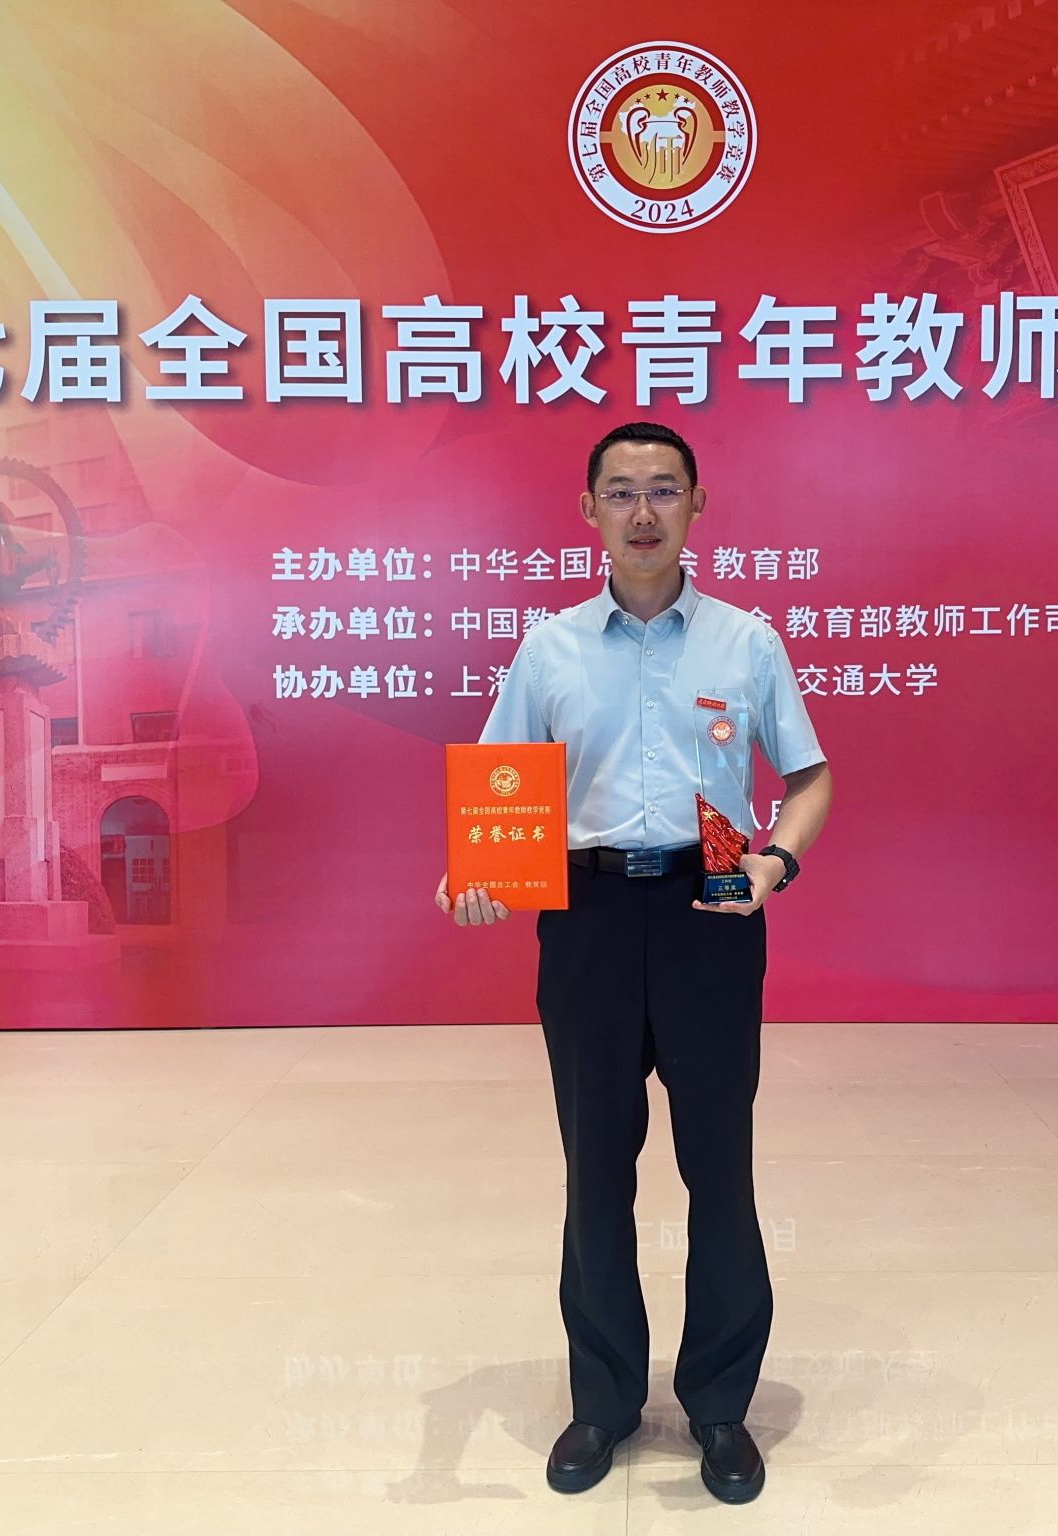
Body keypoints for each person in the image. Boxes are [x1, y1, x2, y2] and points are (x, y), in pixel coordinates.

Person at [434, 421, 834, 1505]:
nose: (643, 511)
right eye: (621, 492)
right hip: (590, 918)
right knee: (595, 1168)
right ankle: (604, 1402)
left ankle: (719, 1405)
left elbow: (807, 777)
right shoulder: (548, 650)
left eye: (664, 489)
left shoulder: (745, 642)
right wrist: (473, 875)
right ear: (588, 512)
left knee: (719, 1166)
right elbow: (501, 790)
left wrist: (774, 862)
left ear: (698, 505)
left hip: (712, 905)